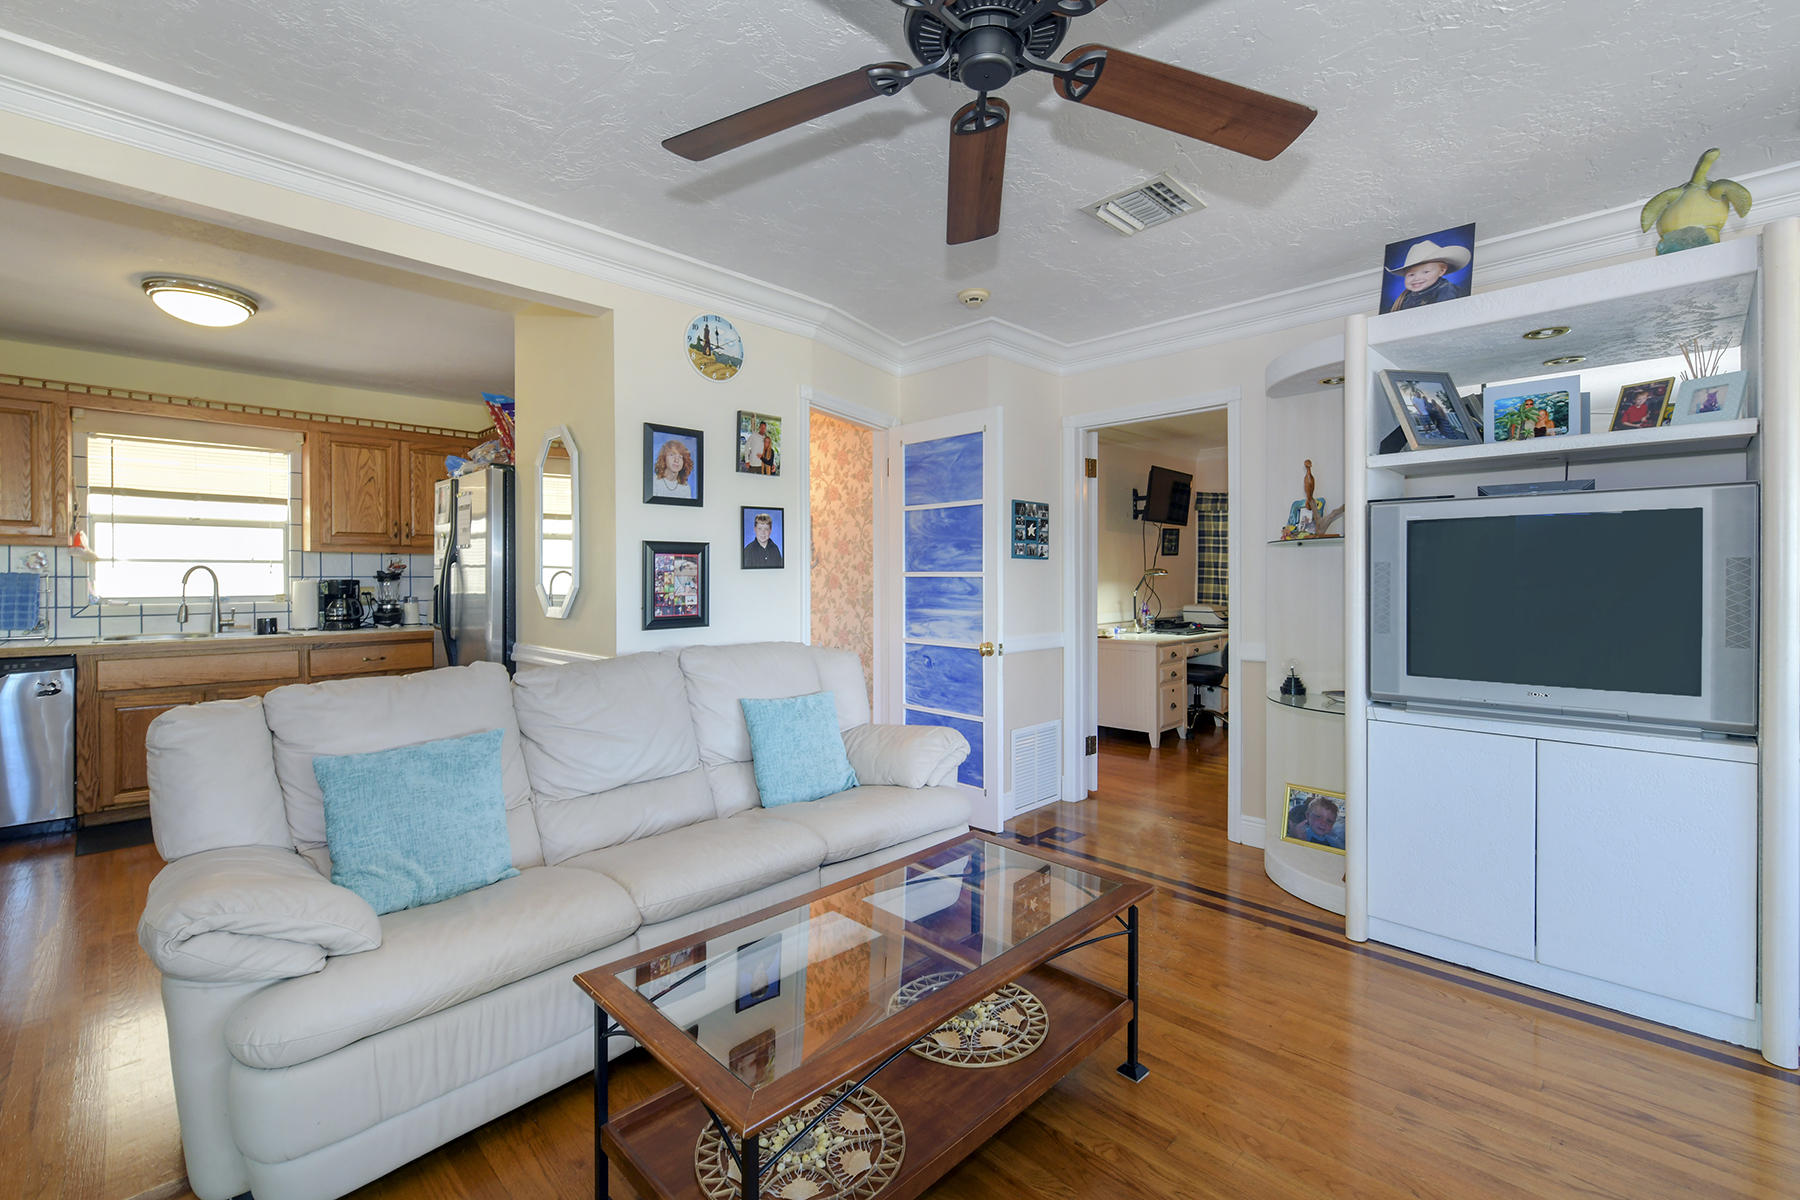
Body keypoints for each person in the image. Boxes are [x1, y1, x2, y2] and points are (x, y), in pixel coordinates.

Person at [1386, 238, 1472, 312]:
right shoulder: (1405, 297)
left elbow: (1445, 313)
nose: (1417, 278)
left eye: (1426, 272)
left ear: (1441, 271)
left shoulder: (1446, 290)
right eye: (1411, 275)